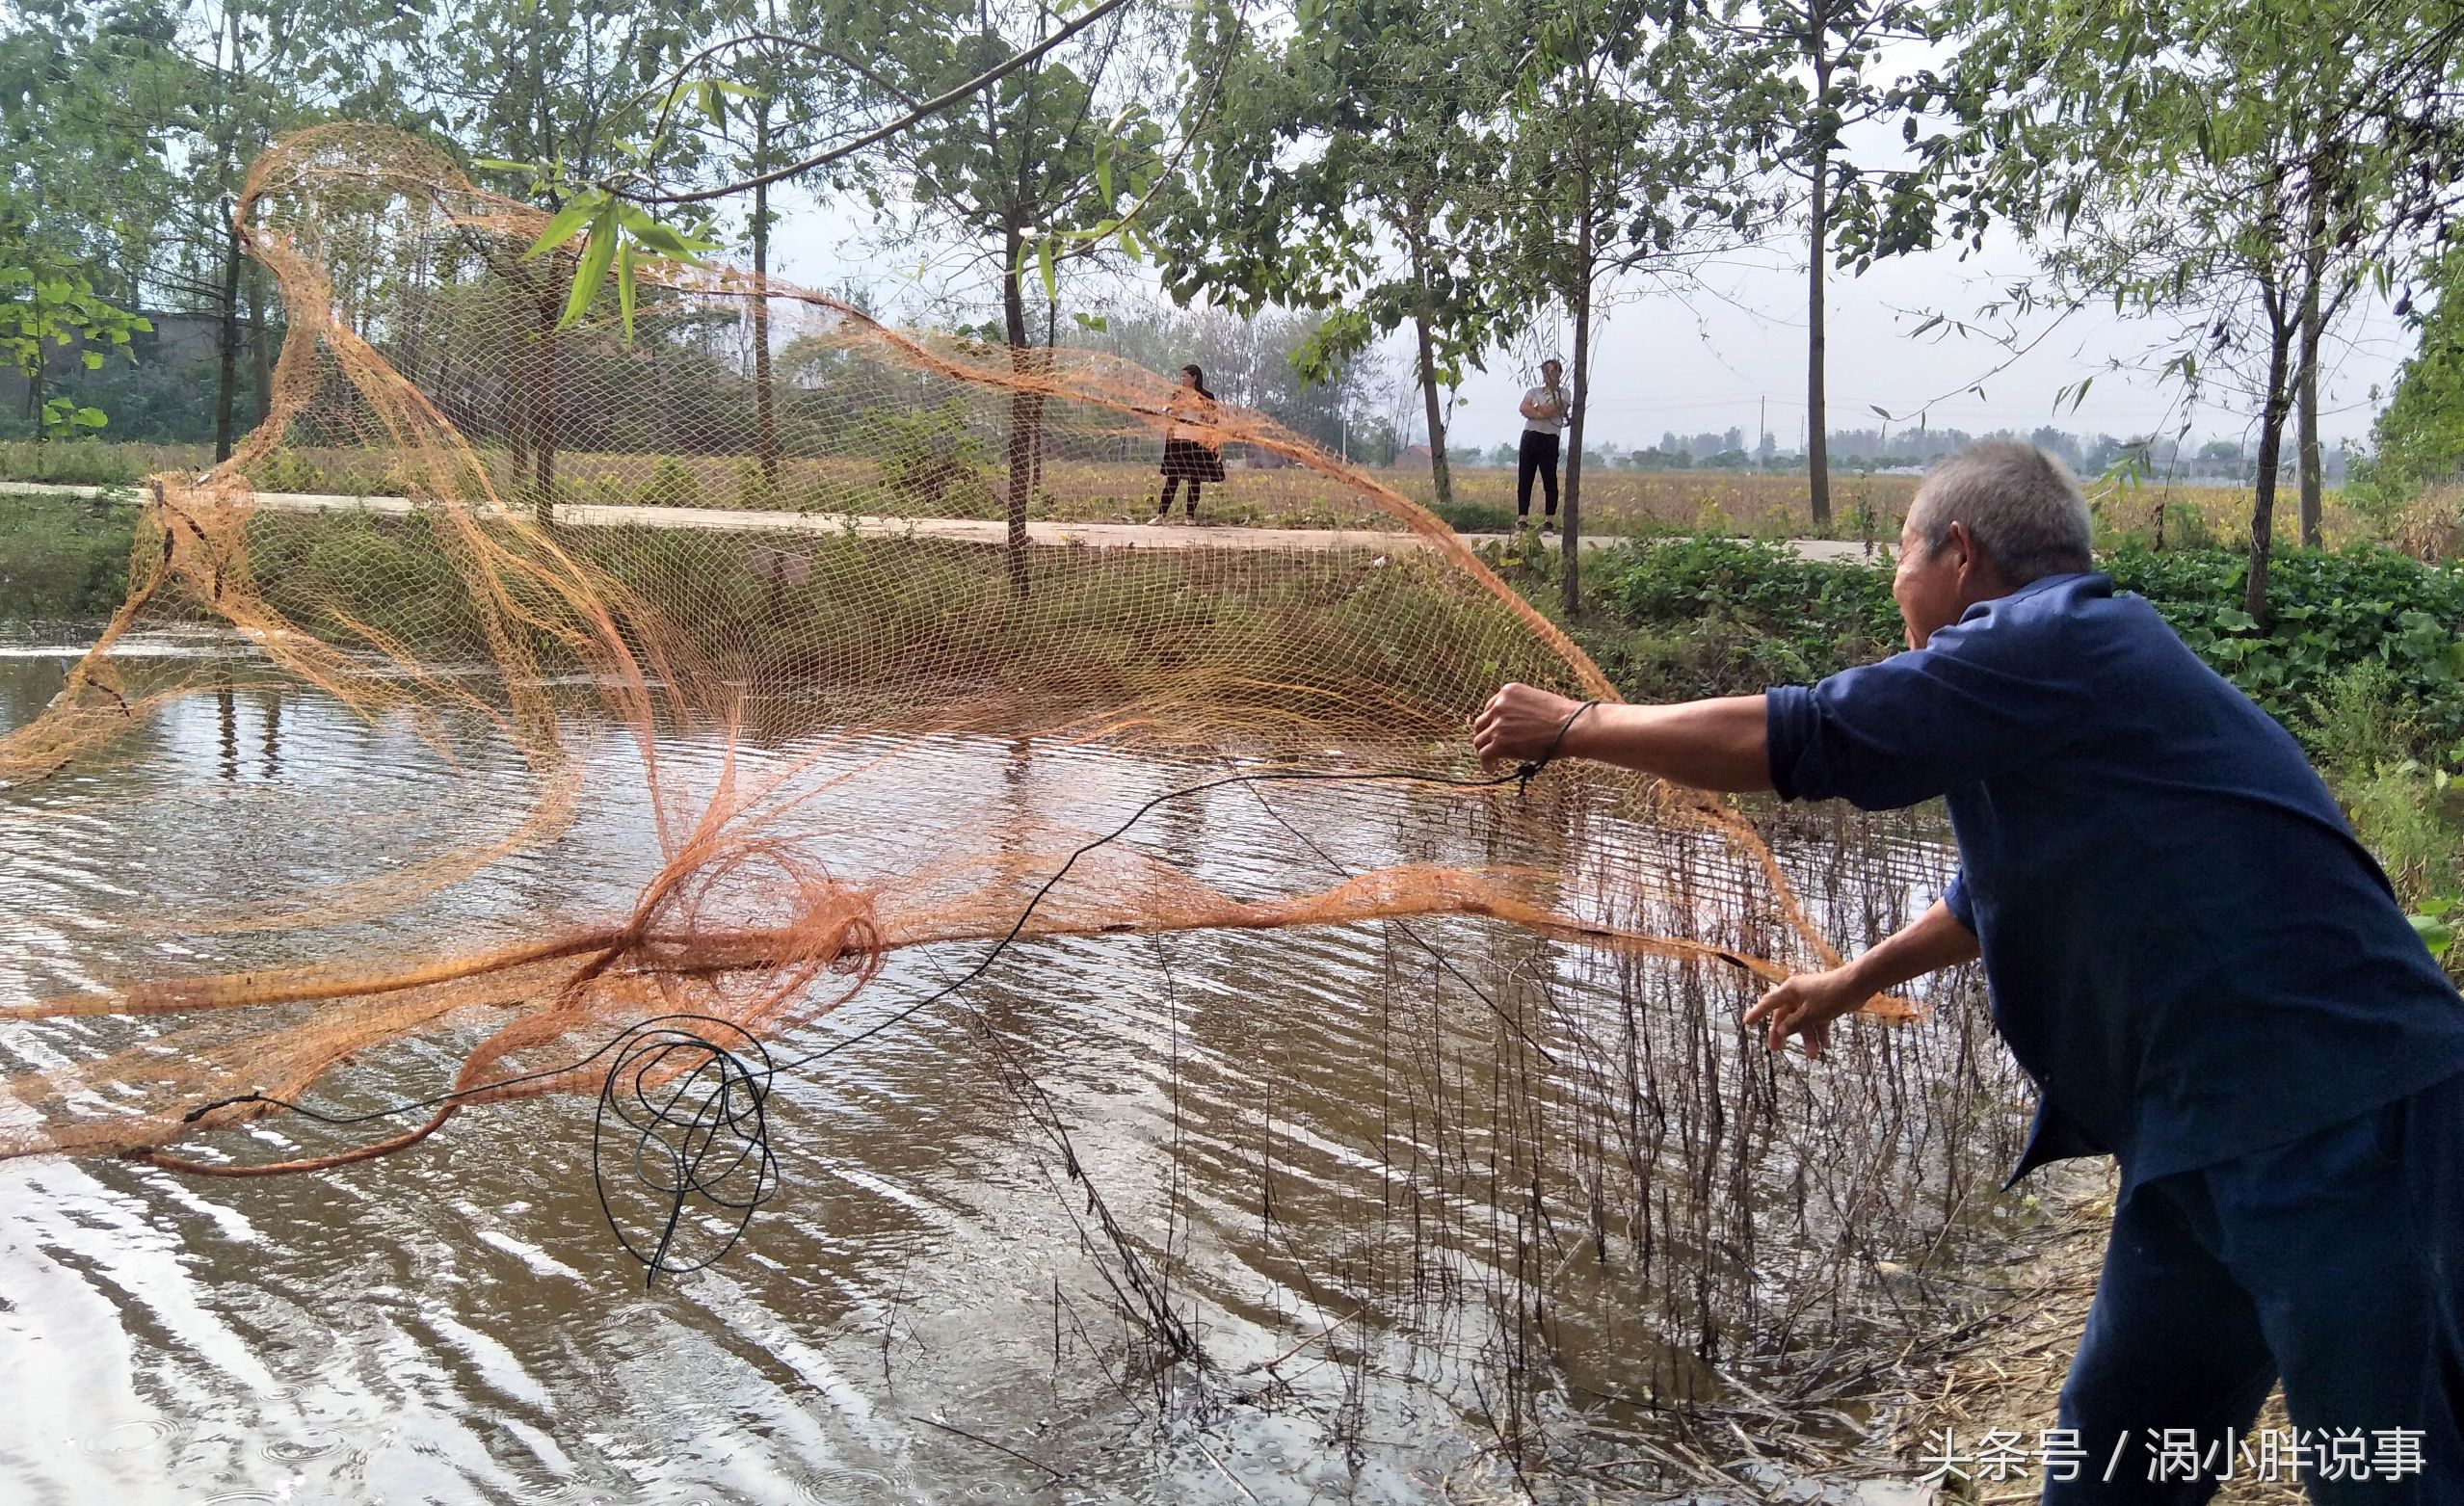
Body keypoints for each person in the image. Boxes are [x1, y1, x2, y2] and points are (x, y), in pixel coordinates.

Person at [1470, 439, 2464, 1504]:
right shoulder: (2047, 680)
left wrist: (1576, 727)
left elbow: (1807, 735)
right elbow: (1988, 892)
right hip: (2196, 1134)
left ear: (1955, 553)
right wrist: (1852, 979)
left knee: (2391, 1476)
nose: (1893, 590)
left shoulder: (2054, 636)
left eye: (1896, 559)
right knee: (2109, 1461)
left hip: (2349, 1116)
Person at [1148, 364, 1226, 524]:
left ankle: (1190, 516)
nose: (1182, 380)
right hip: (1178, 441)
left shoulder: (1206, 396)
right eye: (1181, 377)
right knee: (1172, 479)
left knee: (1194, 479)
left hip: (1197, 443)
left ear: (1194, 378)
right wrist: (1173, 410)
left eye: (1185, 377)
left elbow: (1212, 420)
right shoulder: (1177, 395)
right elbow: (1168, 413)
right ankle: (1161, 515)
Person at [1516, 359, 1569, 530]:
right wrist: (1539, 413)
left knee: (1549, 479)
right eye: (1546, 372)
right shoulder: (1534, 391)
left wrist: (1538, 410)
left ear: (1559, 373)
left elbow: (1554, 409)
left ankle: (1549, 520)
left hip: (1550, 438)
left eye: (1553, 371)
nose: (1549, 375)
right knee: (1525, 478)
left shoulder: (1564, 393)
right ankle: (1522, 518)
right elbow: (1524, 408)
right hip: (1531, 436)